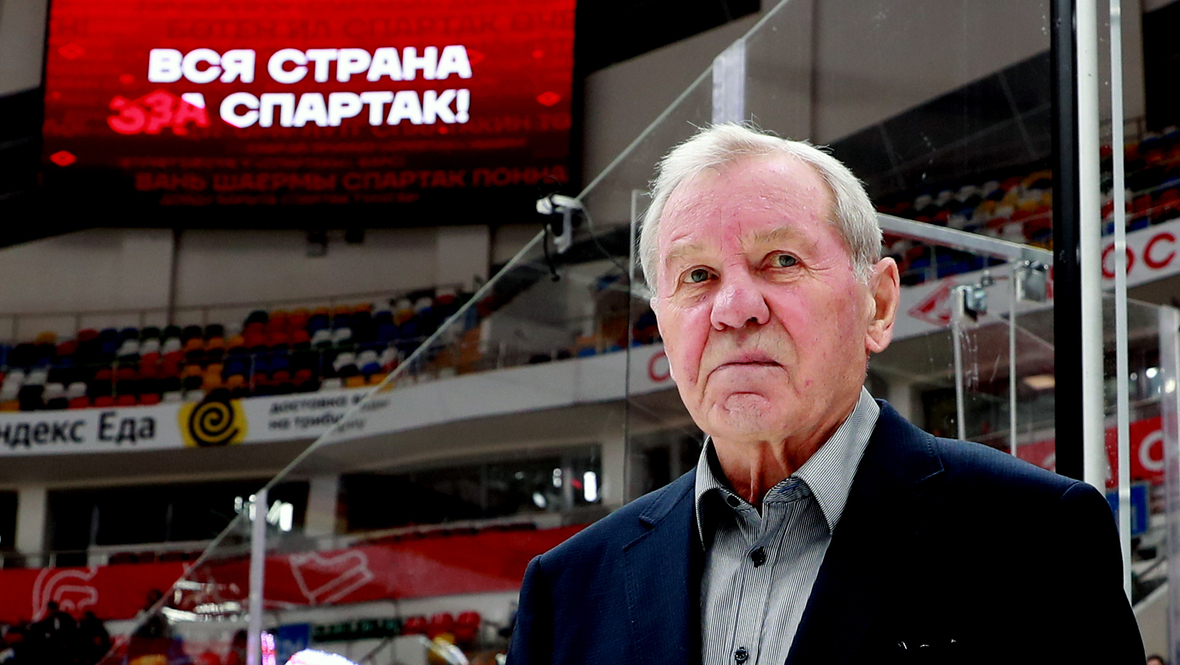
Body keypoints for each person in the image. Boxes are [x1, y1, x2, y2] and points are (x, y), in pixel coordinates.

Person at [506, 124, 1145, 664]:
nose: (734, 308)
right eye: (698, 275)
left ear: (878, 304)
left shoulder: (1037, 536)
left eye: (782, 261)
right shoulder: (567, 591)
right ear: (663, 328)